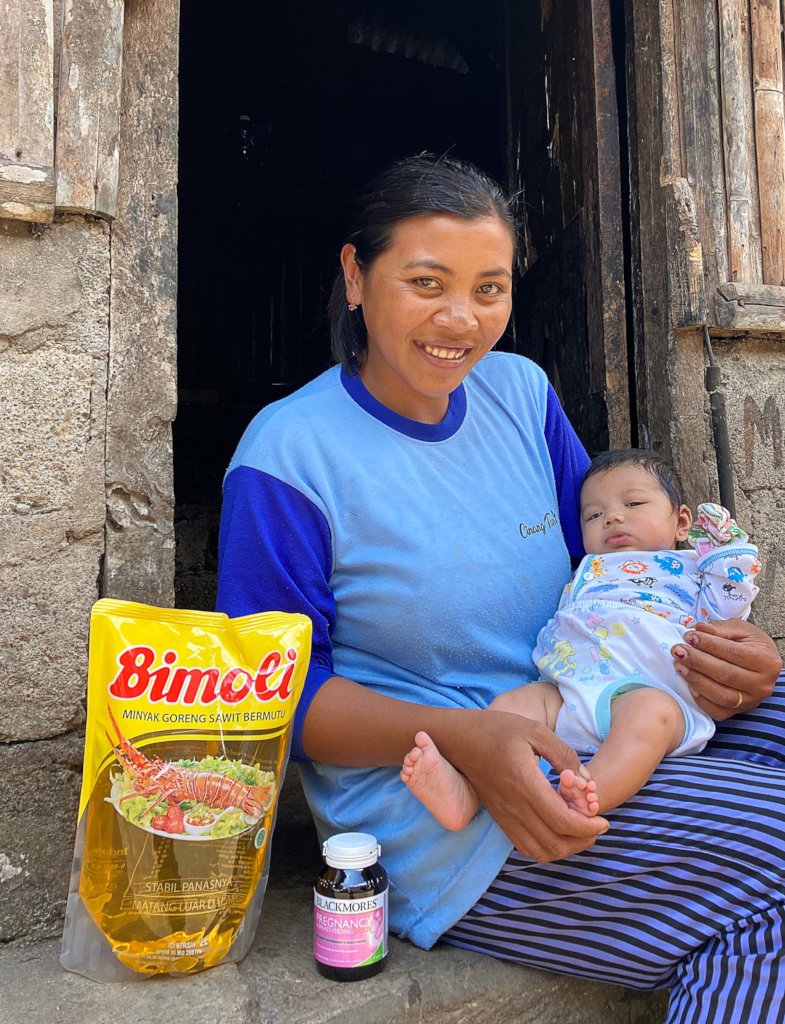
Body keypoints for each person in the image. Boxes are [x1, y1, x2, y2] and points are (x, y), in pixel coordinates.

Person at [217, 154, 784, 1023]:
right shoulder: (289, 454)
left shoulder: (519, 393)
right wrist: (466, 737)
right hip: (438, 798)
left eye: (489, 289)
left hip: (582, 705)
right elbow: (272, 699)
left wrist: (738, 654)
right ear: (355, 276)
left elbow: (610, 563)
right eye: (425, 283)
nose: (461, 319)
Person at [400, 450, 761, 824]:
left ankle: (590, 794)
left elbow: (729, 607)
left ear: (681, 522)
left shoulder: (691, 571)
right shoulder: (588, 570)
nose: (613, 517)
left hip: (651, 689)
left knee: (648, 714)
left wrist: (726, 553)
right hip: (569, 690)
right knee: (513, 708)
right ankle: (466, 792)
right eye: (594, 515)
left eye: (633, 503)